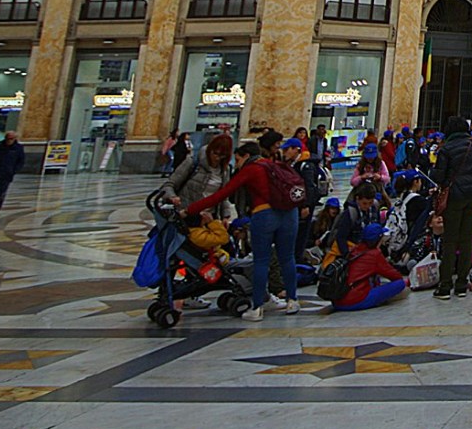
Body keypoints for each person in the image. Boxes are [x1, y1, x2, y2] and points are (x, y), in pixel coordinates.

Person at [186, 140, 305, 320]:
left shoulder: (252, 169)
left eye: (238, 159)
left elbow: (222, 194)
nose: (237, 164)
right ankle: (292, 300)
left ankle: (257, 307)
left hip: (264, 215)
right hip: (290, 215)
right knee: (287, 258)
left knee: (261, 261)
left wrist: (189, 210)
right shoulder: (275, 165)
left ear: (246, 156)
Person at [428, 116, 472, 301]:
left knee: (450, 240)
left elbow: (438, 176)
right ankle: (462, 284)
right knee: (467, 238)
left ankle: (445, 286)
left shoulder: (447, 148)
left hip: (455, 196)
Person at [331, 222, 408, 311]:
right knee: (399, 284)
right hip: (355, 300)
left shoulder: (354, 250)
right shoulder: (375, 254)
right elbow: (395, 276)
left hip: (338, 302)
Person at [162, 132, 235, 219]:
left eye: (222, 155)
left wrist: (226, 216)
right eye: (215, 153)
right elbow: (169, 184)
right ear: (209, 150)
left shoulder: (225, 170)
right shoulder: (193, 162)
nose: (217, 158)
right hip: (185, 214)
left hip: (209, 217)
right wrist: (172, 197)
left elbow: (223, 197)